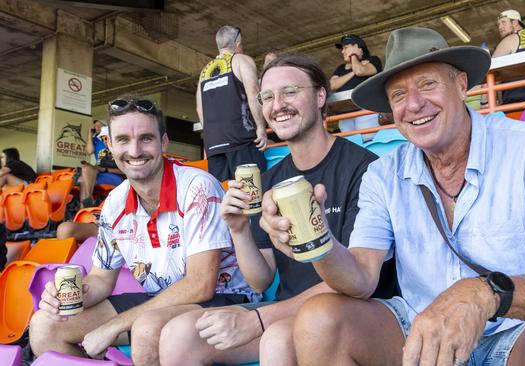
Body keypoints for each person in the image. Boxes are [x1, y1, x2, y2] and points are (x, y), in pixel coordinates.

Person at [264, 27, 525, 365]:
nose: (414, 104)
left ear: (461, 85)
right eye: (398, 95)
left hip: (517, 333)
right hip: (417, 334)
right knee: (320, 320)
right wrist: (318, 242)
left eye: (427, 84)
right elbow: (360, 278)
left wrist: (485, 294)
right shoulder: (383, 174)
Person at [158, 54, 396, 366]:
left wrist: (258, 319)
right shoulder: (270, 180)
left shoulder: (363, 169)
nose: (277, 104)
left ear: (320, 95)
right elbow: (260, 279)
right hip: (285, 310)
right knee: (180, 335)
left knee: (278, 339)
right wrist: (239, 229)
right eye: (267, 96)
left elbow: (359, 281)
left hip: (351, 313)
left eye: (290, 92)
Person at [29, 95, 258, 366]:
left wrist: (115, 325)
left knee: (147, 327)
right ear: (110, 146)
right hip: (159, 300)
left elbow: (201, 285)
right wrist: (73, 293)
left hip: (226, 298)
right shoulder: (114, 202)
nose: (135, 151)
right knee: (44, 325)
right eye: (124, 140)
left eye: (146, 138)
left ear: (163, 142)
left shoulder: (197, 186)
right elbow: (101, 279)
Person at [197, 25, 267, 182]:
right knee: (252, 195)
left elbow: (199, 108)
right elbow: (254, 94)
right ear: (238, 43)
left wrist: (213, 135)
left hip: (214, 146)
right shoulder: (242, 60)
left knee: (223, 197)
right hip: (240, 140)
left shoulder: (204, 71)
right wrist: (261, 128)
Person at [330, 34, 383, 139]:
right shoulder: (341, 68)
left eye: (345, 47)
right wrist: (352, 72)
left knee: (368, 140)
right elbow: (333, 85)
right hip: (345, 113)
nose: (342, 51)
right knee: (351, 143)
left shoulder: (373, 60)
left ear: (358, 47)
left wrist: (354, 56)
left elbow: (360, 71)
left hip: (365, 110)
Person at [78, 120, 125, 208]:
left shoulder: (117, 144)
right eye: (95, 126)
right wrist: (89, 134)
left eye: (100, 125)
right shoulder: (96, 140)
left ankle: (83, 208)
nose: (97, 127)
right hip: (100, 172)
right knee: (85, 167)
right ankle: (88, 201)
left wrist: (105, 169)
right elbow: (89, 151)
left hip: (115, 175)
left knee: (83, 179)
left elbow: (126, 170)